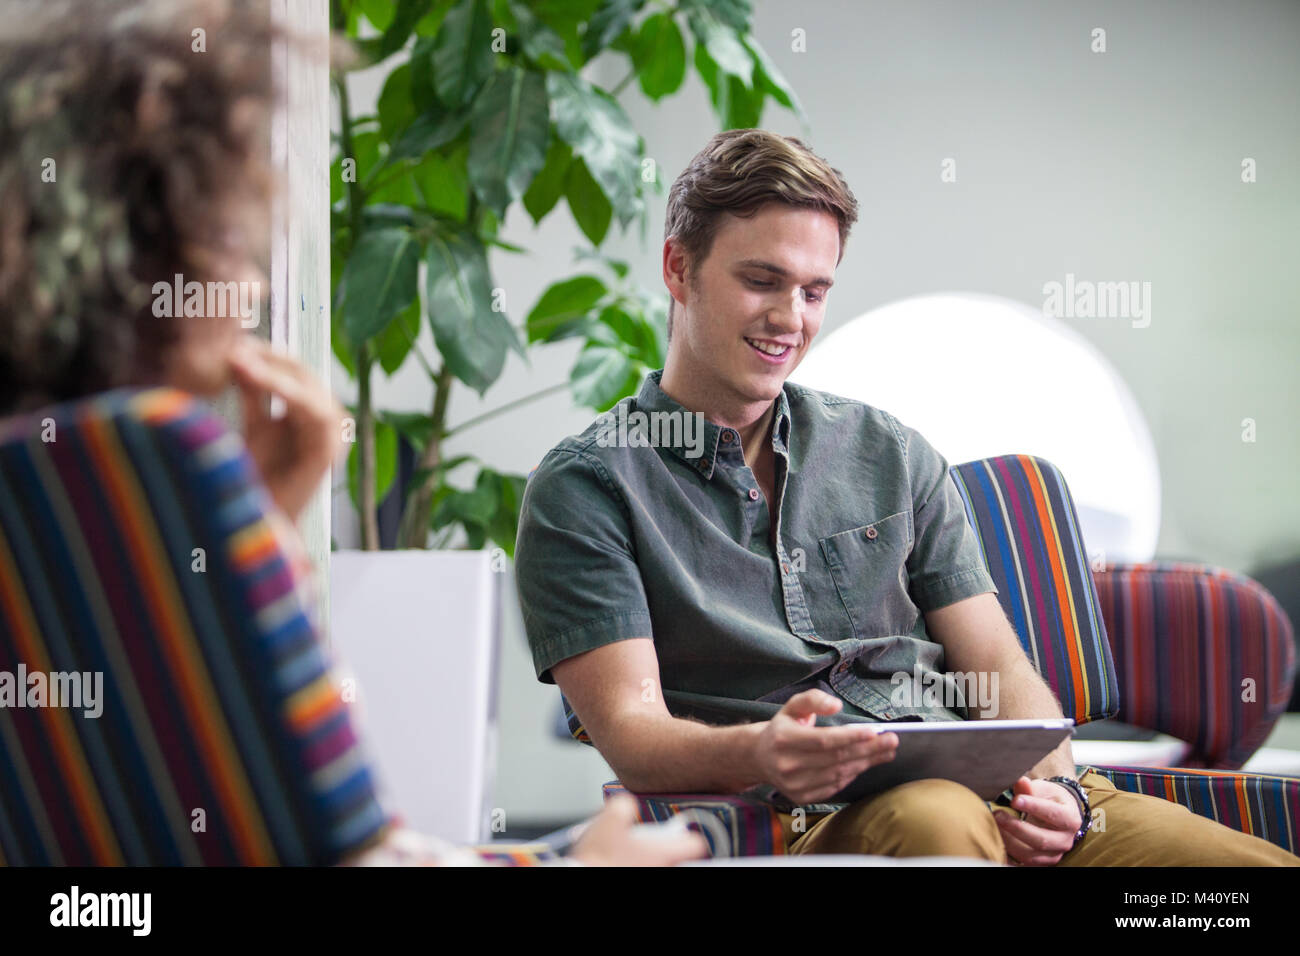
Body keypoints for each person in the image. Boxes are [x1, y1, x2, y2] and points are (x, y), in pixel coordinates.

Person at [0, 0, 704, 867]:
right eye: (230, 240)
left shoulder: (54, 483)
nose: (252, 283)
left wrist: (265, 514)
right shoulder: (168, 459)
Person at [513, 127, 1299, 866]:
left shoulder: (888, 451)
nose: (791, 319)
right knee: (936, 820)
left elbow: (997, 665)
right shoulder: (587, 487)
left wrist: (1057, 792)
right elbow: (633, 733)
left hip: (999, 795)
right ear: (678, 268)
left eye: (815, 291)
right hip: (798, 816)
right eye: (762, 281)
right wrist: (763, 752)